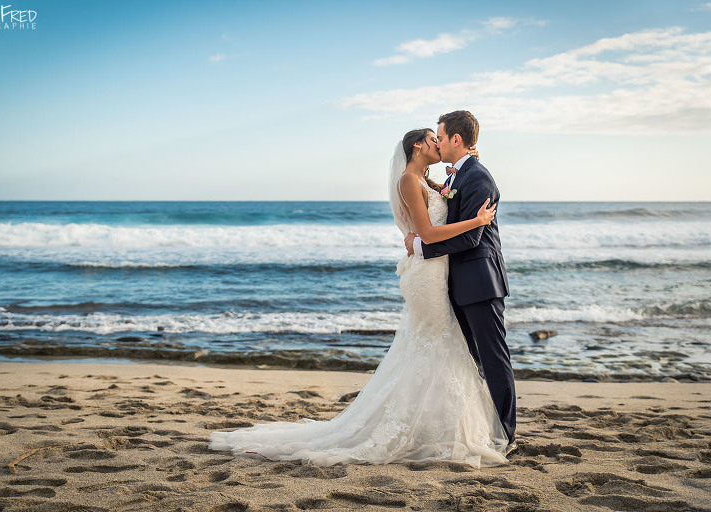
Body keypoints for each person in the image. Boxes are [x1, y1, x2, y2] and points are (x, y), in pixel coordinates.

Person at [207, 125, 509, 467]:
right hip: (427, 276)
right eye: (431, 139)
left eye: (440, 137)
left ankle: (434, 427)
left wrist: (466, 165)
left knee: (438, 349)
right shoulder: (409, 180)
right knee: (435, 347)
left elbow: (446, 200)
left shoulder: (431, 180)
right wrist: (476, 222)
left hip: (438, 274)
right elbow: (426, 232)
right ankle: (424, 429)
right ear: (416, 147)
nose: (437, 143)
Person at [405, 110, 516, 446]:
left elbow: (471, 237)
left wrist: (420, 249)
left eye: (439, 137)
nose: (437, 143)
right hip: (458, 283)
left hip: (481, 282)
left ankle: (506, 435)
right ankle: (485, 427)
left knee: (493, 359)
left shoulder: (479, 178)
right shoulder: (455, 176)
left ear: (456, 139)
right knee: (473, 361)